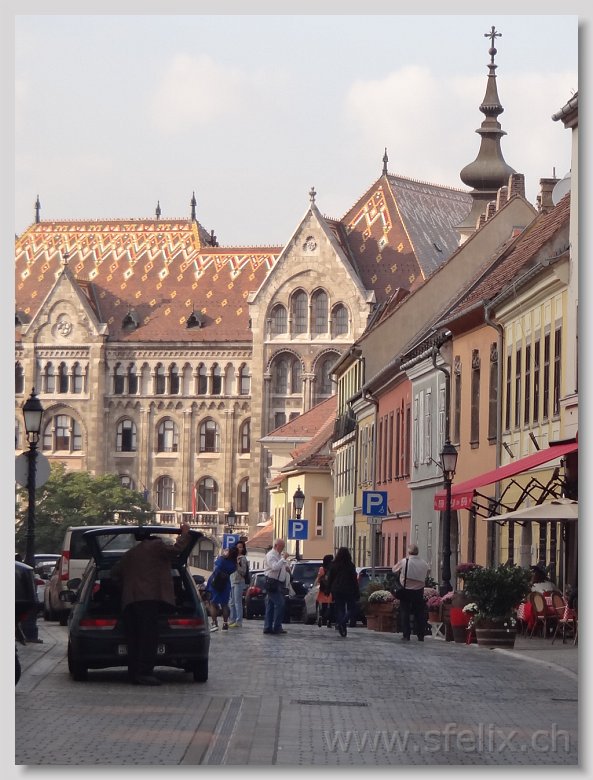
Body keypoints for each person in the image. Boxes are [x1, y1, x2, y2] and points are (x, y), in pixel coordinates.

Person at [111, 522, 192, 685]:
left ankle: (134, 673)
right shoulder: (156, 545)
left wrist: (125, 588)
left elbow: (114, 575)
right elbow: (176, 550)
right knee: (148, 637)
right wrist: (185, 534)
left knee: (133, 638)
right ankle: (145, 673)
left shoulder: (130, 554)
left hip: (129, 601)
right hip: (148, 600)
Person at [393, 543, 429, 642]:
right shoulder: (424, 563)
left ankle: (406, 635)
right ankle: (420, 635)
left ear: (409, 551)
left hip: (406, 589)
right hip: (419, 590)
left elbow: (394, 569)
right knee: (419, 613)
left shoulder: (404, 561)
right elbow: (427, 574)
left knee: (405, 612)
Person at [327, 547, 359, 637]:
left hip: (337, 589)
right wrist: (357, 591)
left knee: (340, 609)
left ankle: (342, 624)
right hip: (348, 589)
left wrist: (328, 589)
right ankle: (343, 622)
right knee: (352, 608)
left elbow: (330, 578)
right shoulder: (350, 565)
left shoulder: (334, 565)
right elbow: (354, 580)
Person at [206, 546, 239, 632]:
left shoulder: (222, 559)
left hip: (215, 581)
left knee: (212, 603)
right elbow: (233, 570)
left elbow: (216, 565)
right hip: (225, 583)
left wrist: (222, 556)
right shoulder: (234, 563)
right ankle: (225, 624)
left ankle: (214, 623)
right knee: (224, 604)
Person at [262, 539, 290, 635]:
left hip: (279, 583)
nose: (283, 549)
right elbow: (274, 567)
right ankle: (277, 626)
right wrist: (283, 559)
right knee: (280, 604)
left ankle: (268, 627)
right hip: (272, 582)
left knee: (270, 605)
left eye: (283, 547)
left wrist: (286, 567)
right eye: (282, 546)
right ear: (276, 545)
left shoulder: (278, 555)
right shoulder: (271, 555)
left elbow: (282, 566)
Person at [228, 540, 249, 628]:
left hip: (239, 581)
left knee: (237, 602)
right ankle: (232, 619)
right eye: (237, 547)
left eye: (240, 547)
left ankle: (239, 621)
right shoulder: (233, 557)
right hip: (232, 580)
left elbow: (243, 571)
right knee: (231, 602)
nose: (239, 549)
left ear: (243, 548)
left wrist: (237, 565)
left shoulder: (242, 558)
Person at [315, 554, 334, 628]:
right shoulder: (333, 568)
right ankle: (329, 621)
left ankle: (322, 617)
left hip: (323, 590)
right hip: (331, 590)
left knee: (324, 606)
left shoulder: (322, 568)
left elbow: (319, 579)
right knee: (331, 606)